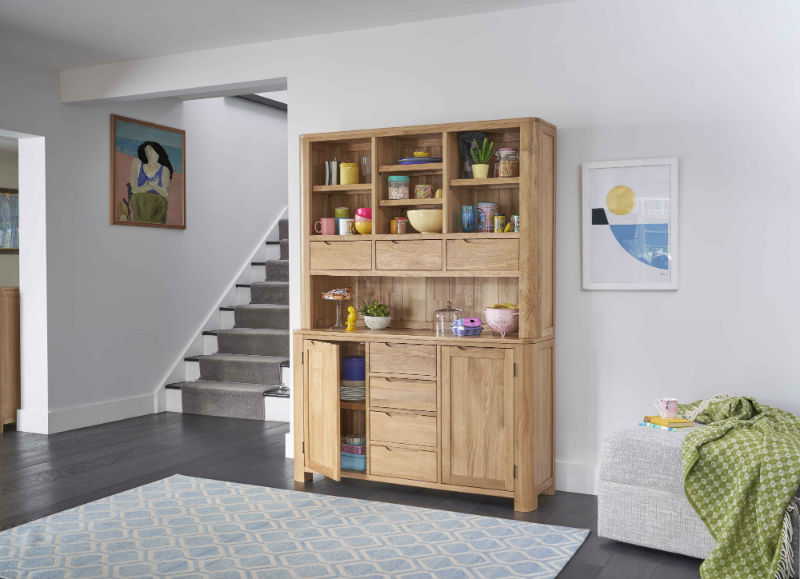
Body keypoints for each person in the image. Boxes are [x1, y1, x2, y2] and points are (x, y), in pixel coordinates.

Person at [128, 141, 173, 224]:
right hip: (139, 204)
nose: (150, 154)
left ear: (158, 152)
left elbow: (166, 193)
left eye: (152, 151)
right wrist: (148, 187)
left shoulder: (164, 170)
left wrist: (153, 187)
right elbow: (134, 189)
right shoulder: (137, 163)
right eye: (147, 152)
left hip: (157, 205)